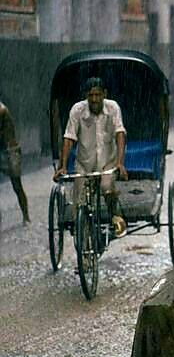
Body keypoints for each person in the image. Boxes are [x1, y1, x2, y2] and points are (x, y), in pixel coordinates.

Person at [53, 77, 128, 238]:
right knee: (79, 202)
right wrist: (62, 166)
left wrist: (120, 163)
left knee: (107, 188)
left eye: (98, 95)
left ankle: (114, 214)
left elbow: (120, 133)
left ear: (104, 94)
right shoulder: (77, 110)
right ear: (86, 96)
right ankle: (83, 235)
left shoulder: (113, 107)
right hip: (84, 164)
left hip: (108, 162)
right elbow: (69, 138)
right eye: (91, 96)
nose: (94, 99)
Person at [0, 100, 30, 224]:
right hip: (4, 149)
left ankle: (26, 216)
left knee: (17, 185)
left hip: (10, 150)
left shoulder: (1, 109)